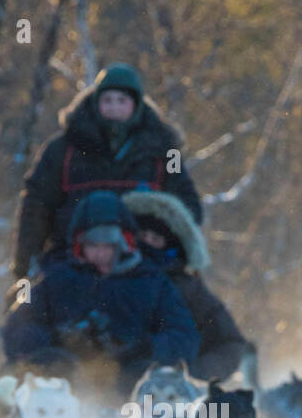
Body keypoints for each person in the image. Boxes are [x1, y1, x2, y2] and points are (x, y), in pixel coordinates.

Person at [11, 63, 203, 279]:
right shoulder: (62, 149)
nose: (114, 108)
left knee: (191, 301)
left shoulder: (167, 153)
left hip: (144, 263)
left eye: (122, 101)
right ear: (96, 102)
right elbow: (36, 205)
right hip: (73, 261)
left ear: (136, 105)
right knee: (26, 304)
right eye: (107, 100)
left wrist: (174, 251)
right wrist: (25, 267)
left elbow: (186, 204)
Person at [1, 191, 200, 396]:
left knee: (147, 375)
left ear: (125, 244)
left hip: (131, 391)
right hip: (62, 391)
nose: (101, 253)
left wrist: (144, 347)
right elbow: (17, 326)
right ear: (79, 245)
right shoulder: (54, 278)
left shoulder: (153, 282)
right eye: (93, 245)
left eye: (109, 246)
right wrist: (55, 341)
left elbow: (184, 336)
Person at [122, 189, 256, 385]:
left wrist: (192, 376)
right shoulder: (106, 275)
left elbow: (230, 344)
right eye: (142, 235)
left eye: (156, 239)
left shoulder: (188, 289)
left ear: (171, 245)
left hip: (169, 395)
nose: (147, 244)